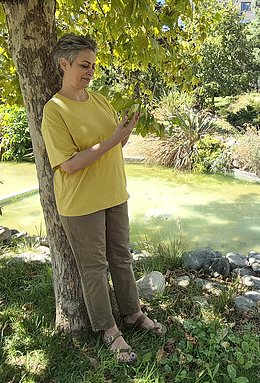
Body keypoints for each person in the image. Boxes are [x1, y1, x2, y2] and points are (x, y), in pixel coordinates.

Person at [41, 34, 166, 364]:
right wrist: (113, 140)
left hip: (114, 193)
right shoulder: (54, 110)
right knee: (94, 268)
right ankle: (108, 330)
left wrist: (124, 133)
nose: (90, 72)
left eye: (94, 66)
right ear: (64, 64)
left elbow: (114, 145)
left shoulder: (99, 100)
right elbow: (68, 164)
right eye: (84, 65)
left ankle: (133, 314)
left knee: (122, 257)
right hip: (81, 202)